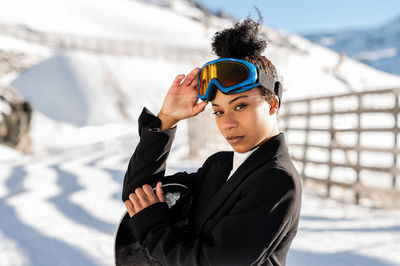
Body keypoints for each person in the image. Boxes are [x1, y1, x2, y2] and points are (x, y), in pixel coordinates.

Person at [115, 18, 302, 266]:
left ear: (273, 104)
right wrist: (167, 119)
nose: (227, 123)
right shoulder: (220, 166)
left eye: (241, 106)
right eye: (218, 111)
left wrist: (153, 230)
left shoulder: (276, 180)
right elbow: (138, 198)